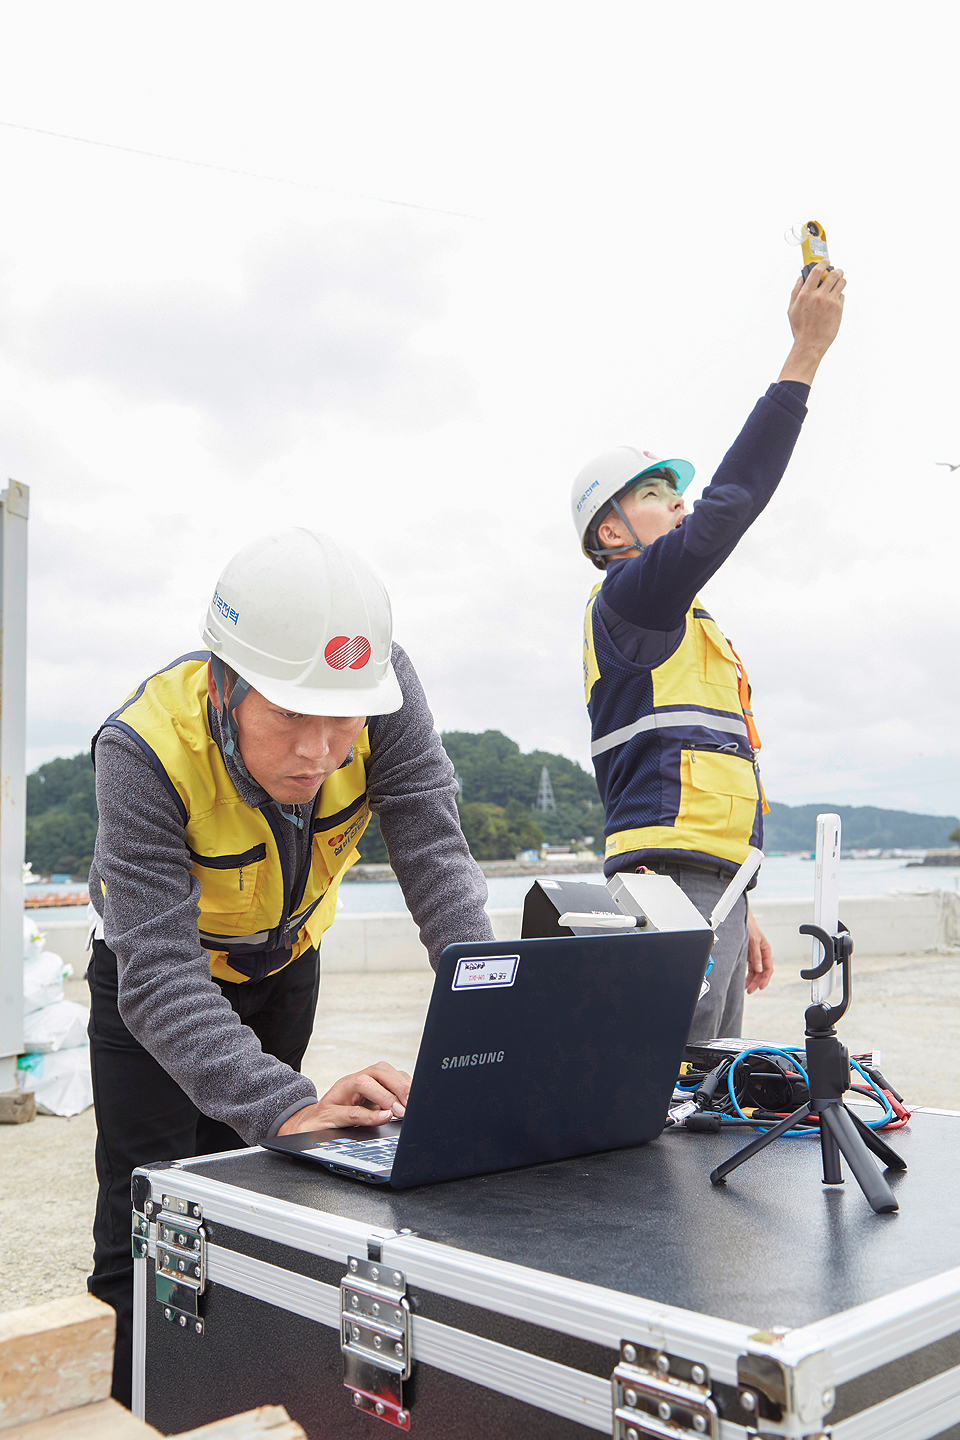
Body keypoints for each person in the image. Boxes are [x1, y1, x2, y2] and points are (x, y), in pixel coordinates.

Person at [86, 527, 494, 1406]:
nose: (319, 750)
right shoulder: (140, 748)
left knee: (262, 1192)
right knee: (143, 1215)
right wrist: (286, 1104)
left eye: (341, 719)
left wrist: (498, 1021)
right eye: (289, 716)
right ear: (225, 687)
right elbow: (155, 974)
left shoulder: (381, 687)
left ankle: (241, 1397)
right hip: (153, 984)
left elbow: (431, 847)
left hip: (282, 968)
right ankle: (133, 1407)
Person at [570, 262, 846, 1041]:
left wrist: (736, 899)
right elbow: (731, 504)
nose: (678, 502)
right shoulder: (632, 597)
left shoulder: (682, 618)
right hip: (670, 880)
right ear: (613, 532)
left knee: (703, 1084)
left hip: (706, 881)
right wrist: (805, 357)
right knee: (664, 1083)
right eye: (655, 494)